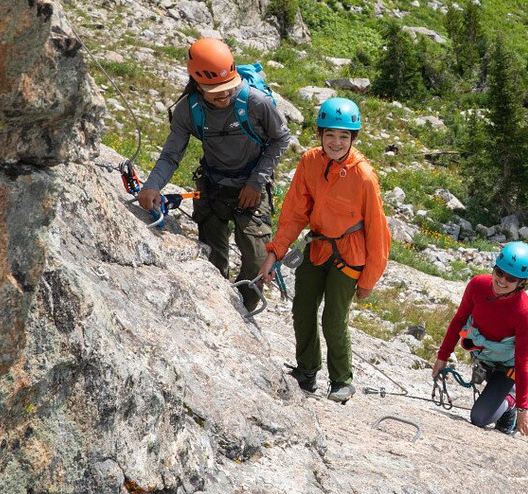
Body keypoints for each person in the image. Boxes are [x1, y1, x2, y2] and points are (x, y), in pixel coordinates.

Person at [138, 37, 291, 311]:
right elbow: (172, 154)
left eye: (228, 88)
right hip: (213, 188)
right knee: (212, 259)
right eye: (214, 90)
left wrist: (256, 181)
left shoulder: (255, 103)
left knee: (256, 261)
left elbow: (280, 139)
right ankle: (219, 308)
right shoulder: (188, 110)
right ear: (197, 84)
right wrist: (152, 186)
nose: (224, 95)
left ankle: (242, 309)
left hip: (251, 187)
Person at [260, 97, 390, 403]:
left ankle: (342, 379)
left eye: (343, 136)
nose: (336, 142)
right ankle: (307, 371)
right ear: (320, 135)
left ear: (353, 139)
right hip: (317, 246)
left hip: (350, 255)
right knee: (302, 308)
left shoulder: (364, 177)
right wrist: (274, 253)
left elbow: (377, 232)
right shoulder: (310, 162)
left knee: (334, 318)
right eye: (330, 134)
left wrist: (369, 280)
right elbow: (294, 212)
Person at [432, 242, 528, 437]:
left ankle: (511, 402)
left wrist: (522, 409)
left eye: (510, 278)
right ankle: (519, 401)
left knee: (480, 418)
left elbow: (522, 361)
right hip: (484, 358)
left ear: (521, 283)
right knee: (484, 412)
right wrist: (443, 356)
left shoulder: (523, 311)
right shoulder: (477, 285)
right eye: (499, 272)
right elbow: (459, 320)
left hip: (507, 368)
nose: (501, 280)